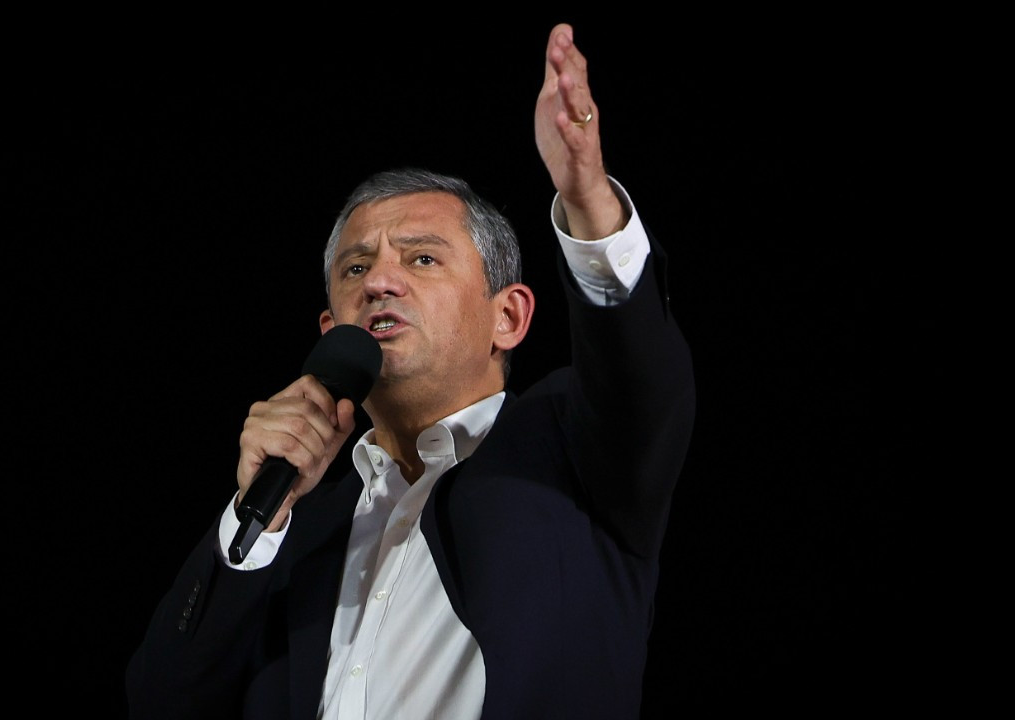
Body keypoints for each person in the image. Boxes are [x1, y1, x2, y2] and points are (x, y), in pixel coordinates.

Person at [126, 22, 695, 720]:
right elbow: (161, 701)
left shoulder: (574, 454)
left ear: (509, 317)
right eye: (356, 268)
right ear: (331, 332)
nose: (379, 283)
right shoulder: (296, 526)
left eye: (422, 258)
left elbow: (639, 375)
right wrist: (257, 519)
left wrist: (588, 201)